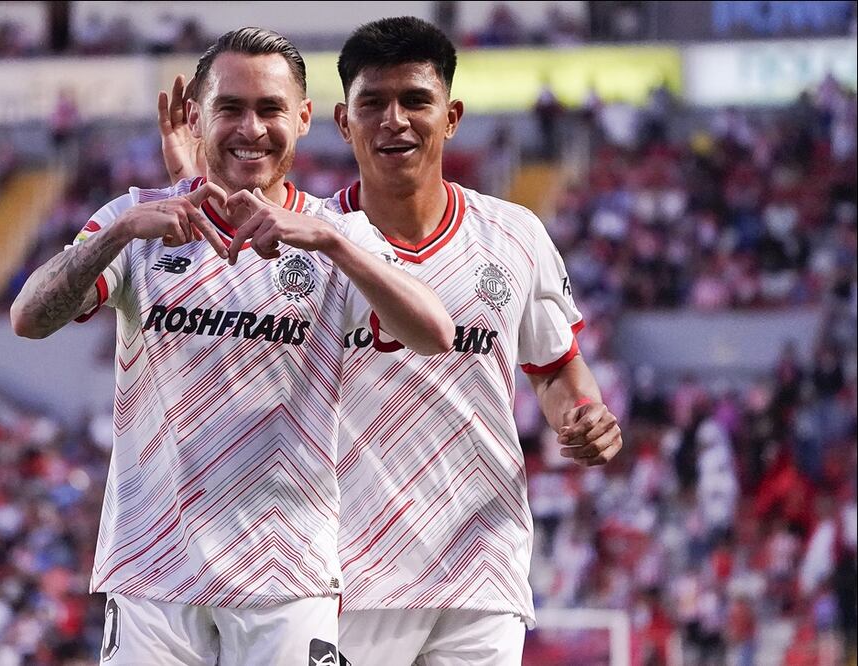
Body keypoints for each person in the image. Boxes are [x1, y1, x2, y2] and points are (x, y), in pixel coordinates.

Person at [158, 17, 623, 666]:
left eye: (415, 100)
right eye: (372, 103)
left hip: (482, 570)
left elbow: (554, 369)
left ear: (452, 115)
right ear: (344, 122)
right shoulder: (296, 238)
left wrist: (584, 416)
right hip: (345, 575)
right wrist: (191, 182)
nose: (394, 120)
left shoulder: (515, 238)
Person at [11, 27, 454, 666]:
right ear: (196, 117)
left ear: (303, 118)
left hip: (289, 574)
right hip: (151, 570)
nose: (252, 128)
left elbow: (434, 332)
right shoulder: (137, 221)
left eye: (271, 109)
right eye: (231, 108)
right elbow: (29, 317)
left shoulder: (335, 234)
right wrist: (119, 235)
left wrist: (332, 245)